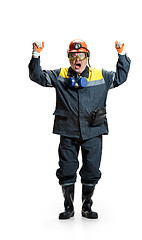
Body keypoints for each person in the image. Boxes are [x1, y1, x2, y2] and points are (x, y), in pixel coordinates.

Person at [28, 39, 131, 220]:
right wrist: (36, 55)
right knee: (67, 168)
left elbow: (120, 78)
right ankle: (68, 206)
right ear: (69, 58)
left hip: (93, 131)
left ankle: (86, 205)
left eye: (81, 55)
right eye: (73, 55)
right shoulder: (59, 75)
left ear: (87, 57)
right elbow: (37, 77)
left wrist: (121, 54)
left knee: (92, 169)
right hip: (67, 131)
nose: (77, 59)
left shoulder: (100, 75)